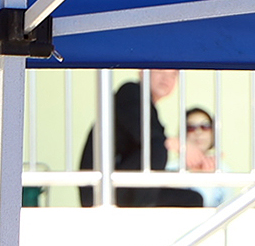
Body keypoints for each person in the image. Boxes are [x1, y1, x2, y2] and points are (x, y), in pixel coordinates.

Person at [78, 69, 206, 207]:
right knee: (158, 147)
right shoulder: (130, 92)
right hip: (103, 189)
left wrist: (194, 164)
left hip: (127, 188)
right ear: (142, 72)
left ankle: (145, 210)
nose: (166, 78)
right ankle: (141, 218)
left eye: (173, 75)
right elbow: (148, 137)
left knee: (193, 199)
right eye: (160, 71)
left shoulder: (150, 109)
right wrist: (181, 146)